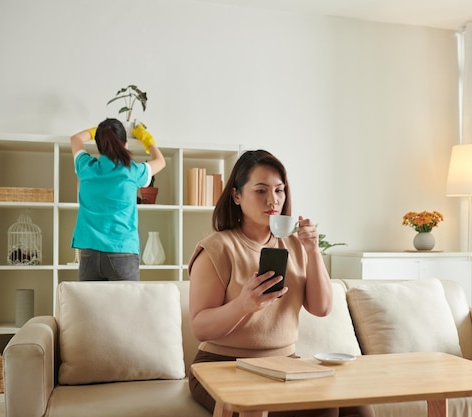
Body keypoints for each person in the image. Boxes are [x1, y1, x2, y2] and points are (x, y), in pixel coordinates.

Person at [187, 150, 374, 417]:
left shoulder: (296, 246)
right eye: (261, 190)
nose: (272, 200)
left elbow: (321, 308)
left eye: (279, 190)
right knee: (322, 410)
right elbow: (200, 327)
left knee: (359, 408)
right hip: (223, 365)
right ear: (236, 195)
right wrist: (243, 305)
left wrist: (313, 251)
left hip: (283, 363)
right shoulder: (217, 248)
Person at [70, 118, 166, 281]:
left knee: (90, 307)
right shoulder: (132, 171)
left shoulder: (85, 167)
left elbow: (75, 139)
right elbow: (160, 162)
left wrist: (97, 131)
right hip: (122, 252)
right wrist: (146, 139)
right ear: (125, 144)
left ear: (99, 146)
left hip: (89, 255)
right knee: (126, 307)